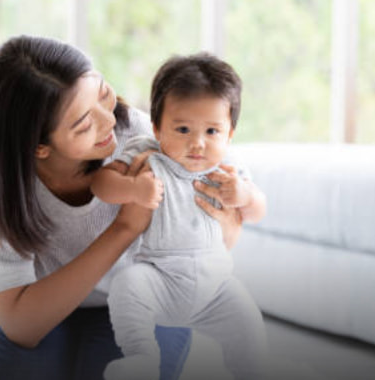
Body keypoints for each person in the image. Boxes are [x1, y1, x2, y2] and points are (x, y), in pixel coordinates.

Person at [0, 36, 244, 380]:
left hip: (140, 297)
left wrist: (228, 220)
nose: (109, 122)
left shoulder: (146, 137)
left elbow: (219, 235)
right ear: (39, 147)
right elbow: (21, 324)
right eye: (85, 124)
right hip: (34, 300)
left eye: (104, 95)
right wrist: (125, 227)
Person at [92, 53, 268, 380]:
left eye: (213, 131)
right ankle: (141, 358)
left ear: (230, 133)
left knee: (247, 322)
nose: (197, 144)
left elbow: (258, 210)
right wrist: (132, 189)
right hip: (159, 277)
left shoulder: (228, 167)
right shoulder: (148, 155)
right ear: (157, 128)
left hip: (215, 286)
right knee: (127, 286)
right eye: (183, 129)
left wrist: (244, 195)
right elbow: (101, 183)